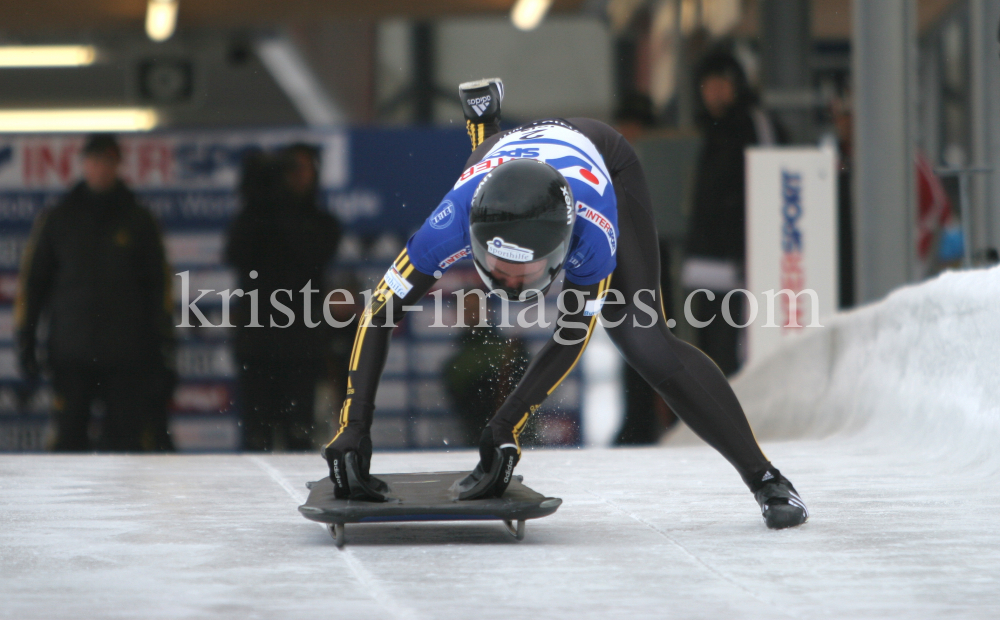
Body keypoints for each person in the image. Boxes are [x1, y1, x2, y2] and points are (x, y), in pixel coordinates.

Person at [323, 78, 808, 529]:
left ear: (561, 254)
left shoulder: (591, 235)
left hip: (602, 158)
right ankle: (485, 133)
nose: (511, 287)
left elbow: (572, 332)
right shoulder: (448, 225)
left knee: (645, 342)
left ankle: (767, 480)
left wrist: (505, 422)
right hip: (497, 168)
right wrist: (353, 424)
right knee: (477, 169)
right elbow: (380, 310)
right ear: (471, 244)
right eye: (497, 269)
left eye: (526, 273)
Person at [15, 133, 175, 451]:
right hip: (71, 353)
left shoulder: (139, 219)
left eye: (108, 162)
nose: (101, 169)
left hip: (126, 355)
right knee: (69, 443)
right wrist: (26, 340)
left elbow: (158, 288)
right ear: (83, 165)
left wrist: (163, 344)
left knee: (126, 446)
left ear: (118, 166)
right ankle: (69, 503)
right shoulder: (58, 219)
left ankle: (126, 503)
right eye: (95, 161)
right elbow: (34, 286)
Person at [225, 144, 341, 451]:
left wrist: (282, 206)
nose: (296, 177)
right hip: (256, 344)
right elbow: (235, 252)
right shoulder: (254, 217)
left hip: (301, 347)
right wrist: (256, 197)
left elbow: (311, 252)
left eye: (303, 169)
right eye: (289, 170)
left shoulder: (322, 223)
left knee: (299, 438)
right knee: (255, 440)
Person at [683, 49, 783, 375]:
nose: (714, 93)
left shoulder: (755, 125)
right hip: (708, 265)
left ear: (738, 85)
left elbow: (773, 184)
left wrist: (753, 254)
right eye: (707, 86)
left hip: (740, 268)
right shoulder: (711, 133)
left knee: (733, 357)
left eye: (721, 84)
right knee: (709, 355)